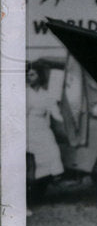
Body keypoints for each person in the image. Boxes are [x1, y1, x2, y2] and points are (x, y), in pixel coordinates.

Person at [26, 62, 65, 208]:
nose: (29, 77)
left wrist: (67, 121)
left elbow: (56, 114)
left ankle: (45, 186)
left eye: (33, 74)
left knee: (53, 152)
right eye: (28, 75)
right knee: (32, 163)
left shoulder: (47, 95)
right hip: (28, 127)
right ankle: (28, 199)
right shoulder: (25, 94)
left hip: (42, 128)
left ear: (39, 76)